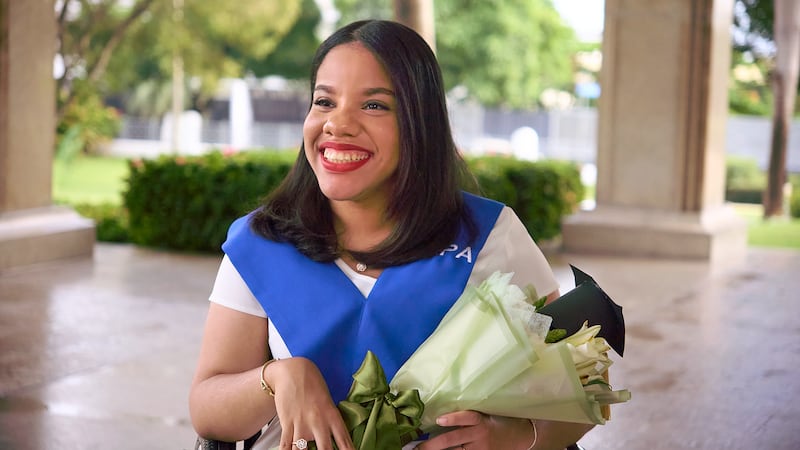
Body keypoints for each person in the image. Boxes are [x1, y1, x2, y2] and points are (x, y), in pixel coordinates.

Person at [189, 19, 594, 450]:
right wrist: (278, 378)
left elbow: (581, 392)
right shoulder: (262, 242)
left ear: (420, 123)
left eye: (375, 106)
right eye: (324, 101)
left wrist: (513, 438)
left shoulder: (489, 236)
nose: (337, 124)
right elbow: (206, 409)